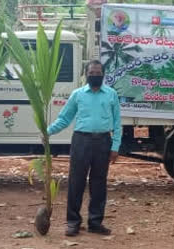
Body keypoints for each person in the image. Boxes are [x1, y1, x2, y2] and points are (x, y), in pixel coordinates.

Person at [48, 60, 122, 237]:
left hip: (103, 142)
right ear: (86, 74)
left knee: (99, 184)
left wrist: (115, 146)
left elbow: (118, 123)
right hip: (81, 141)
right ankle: (73, 223)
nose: (95, 76)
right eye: (91, 73)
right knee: (76, 183)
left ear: (103, 75)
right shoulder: (77, 95)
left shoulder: (111, 95)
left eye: (98, 73)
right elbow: (64, 118)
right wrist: (47, 132)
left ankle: (95, 223)